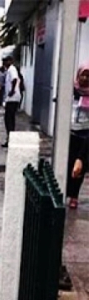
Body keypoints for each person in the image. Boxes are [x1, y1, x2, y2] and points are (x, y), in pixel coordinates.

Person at [68, 63, 89, 208]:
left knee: (80, 166)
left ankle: (74, 196)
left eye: (88, 76)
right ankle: (67, 191)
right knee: (69, 164)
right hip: (70, 132)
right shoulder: (71, 90)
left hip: (85, 134)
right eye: (83, 74)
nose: (85, 78)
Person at [2, 56, 22, 148]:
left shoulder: (11, 69)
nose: (4, 63)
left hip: (12, 98)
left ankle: (10, 139)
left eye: (6, 61)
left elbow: (14, 79)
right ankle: (10, 139)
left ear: (10, 61)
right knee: (10, 119)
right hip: (11, 98)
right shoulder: (9, 70)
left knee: (8, 119)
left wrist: (12, 90)